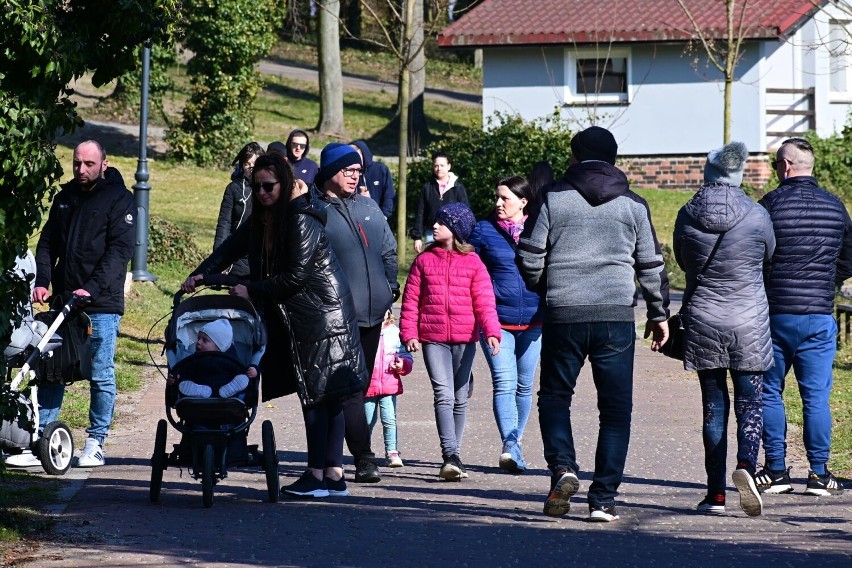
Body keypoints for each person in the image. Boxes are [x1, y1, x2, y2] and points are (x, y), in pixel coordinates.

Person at [182, 151, 366, 499]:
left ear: (284, 183)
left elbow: (295, 277)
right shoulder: (264, 218)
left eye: (270, 186)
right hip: (311, 313)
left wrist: (248, 288)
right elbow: (230, 248)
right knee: (324, 394)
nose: (263, 193)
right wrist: (201, 274)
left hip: (322, 315)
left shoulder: (298, 219)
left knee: (319, 395)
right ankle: (332, 475)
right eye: (258, 187)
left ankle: (319, 476)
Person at [517, 126, 668, 522]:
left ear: (575, 156)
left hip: (565, 313)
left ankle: (563, 469)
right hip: (615, 316)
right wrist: (658, 313)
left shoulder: (553, 198)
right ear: (613, 158)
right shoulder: (634, 205)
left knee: (554, 397)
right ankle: (603, 499)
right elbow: (651, 265)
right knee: (616, 410)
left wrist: (548, 287)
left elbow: (530, 256)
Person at [5, 140, 135, 469]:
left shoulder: (120, 200)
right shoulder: (65, 199)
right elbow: (47, 243)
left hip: (101, 303)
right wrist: (42, 282)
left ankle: (96, 442)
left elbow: (119, 254)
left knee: (100, 372)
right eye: (77, 163)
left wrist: (89, 290)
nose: (81, 169)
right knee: (51, 369)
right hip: (64, 301)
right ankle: (41, 441)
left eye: (89, 164)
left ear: (104, 164)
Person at [673, 142, 775, 517]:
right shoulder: (758, 214)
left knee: (713, 407)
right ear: (739, 173)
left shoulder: (687, 213)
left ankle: (715, 494)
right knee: (751, 401)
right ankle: (746, 466)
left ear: (707, 172)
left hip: (704, 318)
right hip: (749, 318)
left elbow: (683, 259)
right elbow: (768, 255)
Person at [755, 137, 852, 497]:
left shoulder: (769, 206)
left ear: (785, 166)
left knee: (769, 393)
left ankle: (777, 471)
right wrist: (829, 281)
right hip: (818, 317)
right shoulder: (834, 205)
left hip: (776, 315)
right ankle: (819, 473)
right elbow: (849, 256)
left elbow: (755, 254)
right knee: (815, 398)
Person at [313, 142, 400, 484]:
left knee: (359, 384)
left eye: (358, 171)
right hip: (336, 314)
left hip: (373, 314)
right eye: (348, 171)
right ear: (330, 172)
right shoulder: (314, 210)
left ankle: (336, 453)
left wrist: (389, 290)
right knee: (349, 386)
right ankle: (363, 457)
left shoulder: (369, 208)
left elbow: (389, 252)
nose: (355, 177)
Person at [400, 202, 501, 481]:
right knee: (443, 393)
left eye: (441, 223)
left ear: (456, 231)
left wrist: (492, 331)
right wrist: (408, 333)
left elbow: (484, 302)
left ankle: (454, 456)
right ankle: (450, 455)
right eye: (435, 221)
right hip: (433, 338)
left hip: (465, 337)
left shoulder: (473, 263)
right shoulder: (423, 261)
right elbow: (411, 301)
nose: (434, 226)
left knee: (459, 397)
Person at [469, 175, 543, 474]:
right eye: (497, 198)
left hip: (536, 321)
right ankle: (510, 445)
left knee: (525, 388)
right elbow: (467, 266)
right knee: (504, 383)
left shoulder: (540, 228)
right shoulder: (483, 230)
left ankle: (516, 444)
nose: (498, 203)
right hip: (496, 320)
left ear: (523, 202)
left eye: (505, 198)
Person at [364, 310, 413, 468]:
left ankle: (392, 451)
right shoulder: (365, 331)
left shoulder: (395, 332)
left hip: (389, 384)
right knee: (367, 421)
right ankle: (365, 451)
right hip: (368, 385)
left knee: (389, 419)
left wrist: (402, 365)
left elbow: (406, 356)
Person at [170, 319, 258, 399]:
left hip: (225, 387)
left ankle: (230, 390)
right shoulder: (195, 359)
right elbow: (184, 370)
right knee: (184, 382)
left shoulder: (228, 359)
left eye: (205, 340)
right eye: (198, 338)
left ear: (218, 347)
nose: (198, 342)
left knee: (243, 379)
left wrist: (253, 369)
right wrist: (176, 378)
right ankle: (197, 391)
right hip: (199, 385)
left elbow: (241, 370)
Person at [214, 142, 264, 278]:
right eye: (247, 164)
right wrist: (218, 259)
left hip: (260, 254)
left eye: (255, 163)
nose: (251, 168)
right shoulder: (234, 189)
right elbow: (224, 223)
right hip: (237, 253)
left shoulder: (268, 190)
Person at [412, 151, 469, 253]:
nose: (439, 168)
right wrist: (417, 237)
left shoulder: (458, 188)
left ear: (449, 166)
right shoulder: (427, 187)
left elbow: (465, 213)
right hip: (431, 232)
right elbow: (420, 212)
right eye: (436, 166)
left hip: (452, 234)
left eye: (442, 165)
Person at [350, 140, 396, 219]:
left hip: (379, 218)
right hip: (356, 220)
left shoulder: (380, 169)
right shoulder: (348, 172)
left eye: (357, 157)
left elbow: (389, 195)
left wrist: (384, 216)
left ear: (363, 154)